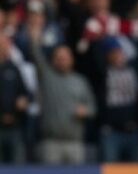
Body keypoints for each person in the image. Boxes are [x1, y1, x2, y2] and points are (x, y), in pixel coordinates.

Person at [26, 32, 95, 164]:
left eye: (65, 57)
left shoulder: (80, 81)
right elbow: (37, 57)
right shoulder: (47, 77)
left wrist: (85, 111)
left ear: (72, 59)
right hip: (51, 143)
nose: (62, 61)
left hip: (75, 142)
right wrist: (33, 39)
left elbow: (92, 108)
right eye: (58, 58)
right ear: (53, 60)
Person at [95, 38, 138, 162]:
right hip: (111, 132)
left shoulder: (135, 70)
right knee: (109, 170)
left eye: (120, 52)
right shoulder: (102, 72)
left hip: (133, 130)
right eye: (113, 52)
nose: (117, 55)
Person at [0, 35, 29, 163]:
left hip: (14, 126)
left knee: (17, 171)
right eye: (4, 44)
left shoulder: (14, 68)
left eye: (8, 44)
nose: (7, 47)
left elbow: (26, 93)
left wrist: (23, 100)